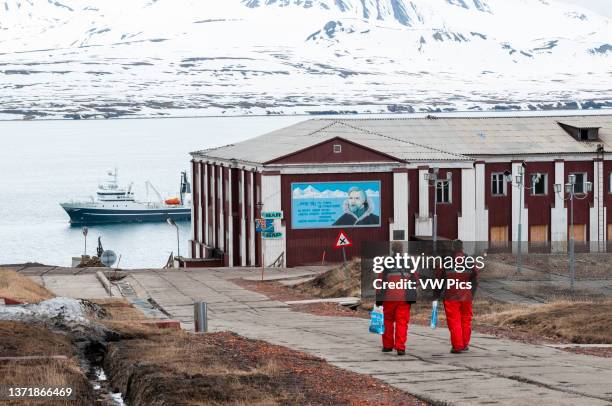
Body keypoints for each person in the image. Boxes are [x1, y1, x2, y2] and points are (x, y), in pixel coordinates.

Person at [375, 243, 417, 356]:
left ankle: (387, 346)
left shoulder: (385, 262)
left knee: (387, 321)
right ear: (402, 249)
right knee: (402, 322)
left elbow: (379, 282)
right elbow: (416, 281)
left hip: (389, 297)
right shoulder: (409, 262)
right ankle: (400, 348)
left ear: (392, 250)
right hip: (404, 297)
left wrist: (378, 299)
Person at [435, 247, 478, 354]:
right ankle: (464, 344)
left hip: (451, 294)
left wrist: (437, 293)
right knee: (466, 319)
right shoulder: (469, 260)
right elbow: (475, 277)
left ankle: (457, 346)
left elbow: (438, 277)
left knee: (454, 320)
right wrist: (471, 292)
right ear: (462, 248)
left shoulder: (446, 260)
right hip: (466, 294)